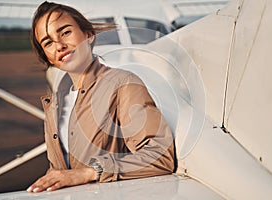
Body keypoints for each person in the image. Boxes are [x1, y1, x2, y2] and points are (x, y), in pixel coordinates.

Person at [27, 1, 175, 193]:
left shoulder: (123, 83)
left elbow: (161, 156)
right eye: (48, 42)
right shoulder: (55, 102)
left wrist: (90, 172)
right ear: (47, 56)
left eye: (65, 32)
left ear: (88, 35)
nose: (60, 46)